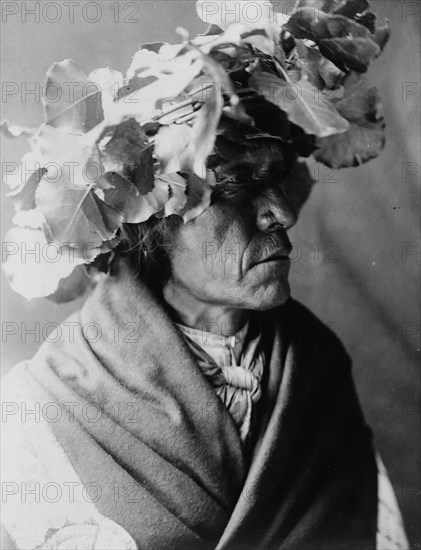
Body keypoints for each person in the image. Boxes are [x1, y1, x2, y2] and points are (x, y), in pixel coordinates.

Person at [0, 1, 409, 548]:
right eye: (236, 189)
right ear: (151, 224)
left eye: (280, 182)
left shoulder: (314, 365)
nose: (282, 214)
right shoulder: (38, 409)